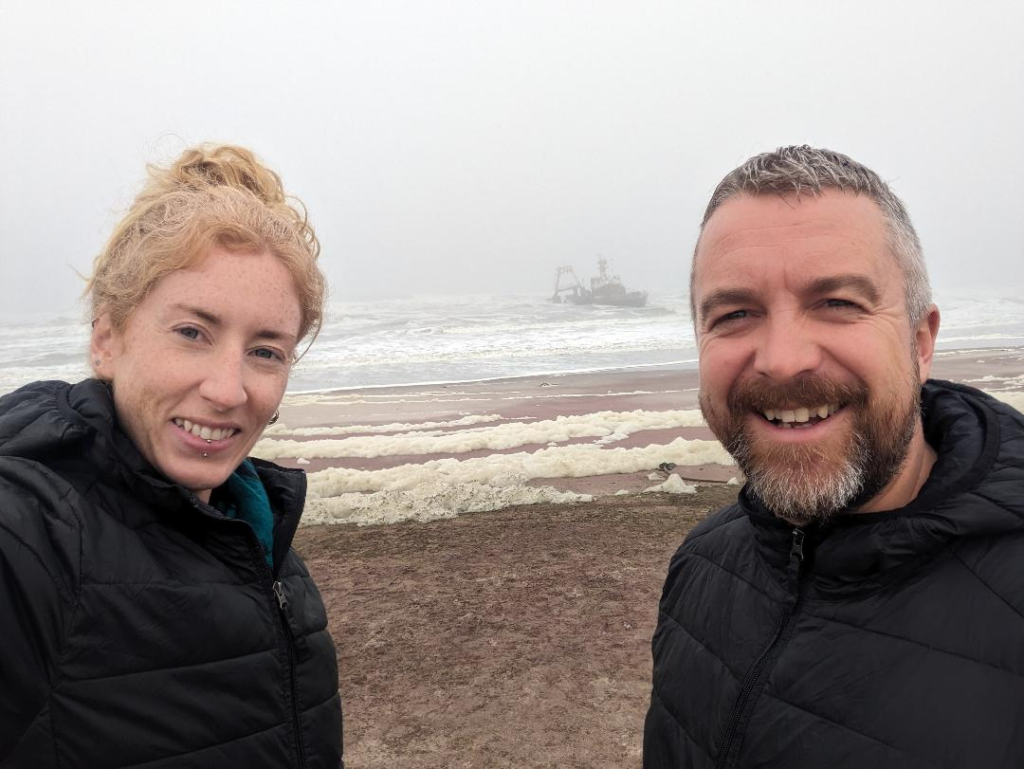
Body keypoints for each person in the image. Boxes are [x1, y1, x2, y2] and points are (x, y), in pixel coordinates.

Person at [643, 146, 1024, 767]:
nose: (783, 359)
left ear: (920, 343)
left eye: (839, 303)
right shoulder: (703, 562)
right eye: (735, 314)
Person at [0, 145, 344, 766]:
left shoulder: (259, 539)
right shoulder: (37, 531)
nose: (227, 390)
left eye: (266, 351)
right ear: (107, 340)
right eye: (192, 333)